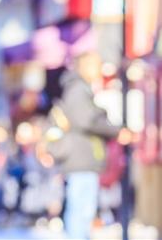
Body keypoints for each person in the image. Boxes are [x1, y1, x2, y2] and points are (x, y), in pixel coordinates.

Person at [47, 51, 128, 240]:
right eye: (95, 65)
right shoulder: (78, 89)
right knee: (82, 209)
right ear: (85, 66)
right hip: (80, 157)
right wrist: (114, 129)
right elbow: (86, 120)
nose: (99, 69)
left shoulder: (79, 88)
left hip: (82, 156)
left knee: (82, 208)